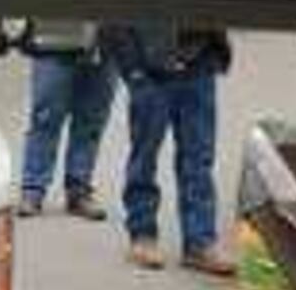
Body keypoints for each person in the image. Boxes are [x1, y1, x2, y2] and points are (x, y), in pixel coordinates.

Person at [99, 18, 237, 275]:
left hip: (199, 68)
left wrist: (215, 54)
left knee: (199, 159)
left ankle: (200, 243)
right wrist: (132, 70)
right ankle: (142, 236)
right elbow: (114, 15)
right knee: (145, 158)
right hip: (150, 74)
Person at [12, 18, 112, 219]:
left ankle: (79, 191)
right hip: (54, 39)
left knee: (90, 122)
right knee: (46, 118)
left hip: (106, 42)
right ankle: (33, 190)